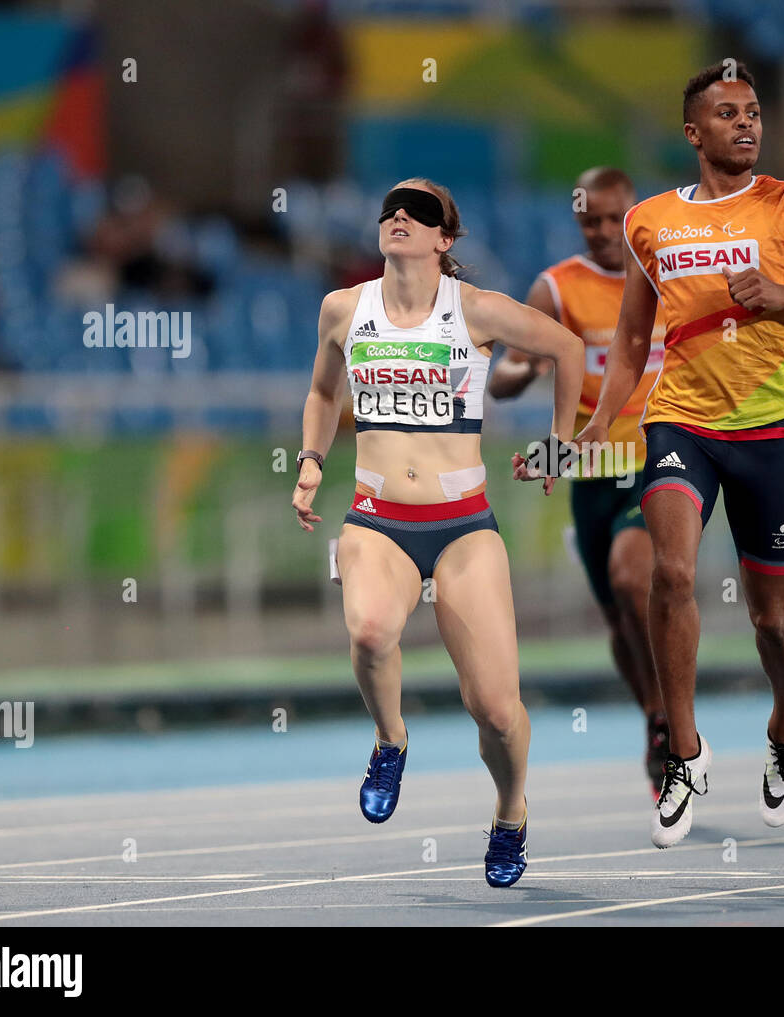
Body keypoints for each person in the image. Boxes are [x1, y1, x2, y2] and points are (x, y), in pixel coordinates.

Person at [571, 62, 784, 847]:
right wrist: (602, 421)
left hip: (771, 429)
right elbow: (634, 338)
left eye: (755, 112)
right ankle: (685, 752)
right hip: (681, 422)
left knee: (775, 614)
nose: (747, 123)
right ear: (693, 133)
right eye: (728, 113)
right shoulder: (649, 222)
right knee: (668, 572)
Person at [293, 178, 583, 887]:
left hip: (462, 529)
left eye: (419, 213)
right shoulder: (343, 309)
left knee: (495, 708)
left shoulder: (476, 310)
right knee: (368, 632)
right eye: (391, 207)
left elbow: (569, 350)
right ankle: (391, 738)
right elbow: (325, 390)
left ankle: (511, 809)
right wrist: (310, 462)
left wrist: (560, 442)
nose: (399, 216)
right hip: (377, 519)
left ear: (443, 240)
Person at [489, 166, 670, 796]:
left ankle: (674, 715)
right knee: (619, 619)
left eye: (613, 218)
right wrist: (525, 365)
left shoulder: (670, 277)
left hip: (663, 458)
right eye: (588, 220)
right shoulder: (557, 289)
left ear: (635, 214)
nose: (600, 231)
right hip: (592, 467)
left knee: (633, 576)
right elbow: (501, 379)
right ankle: (655, 715)